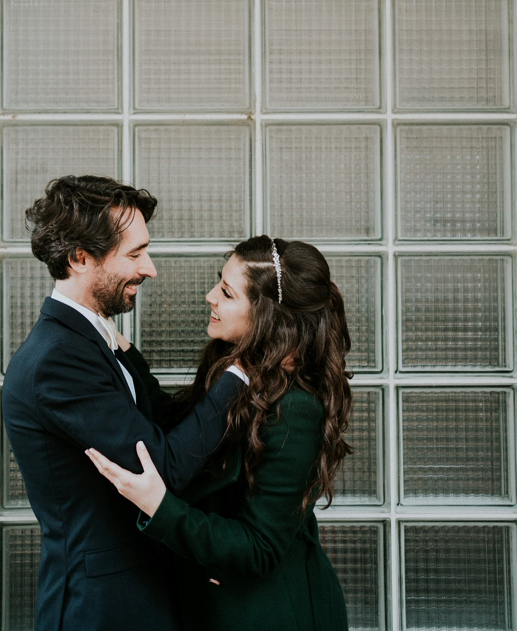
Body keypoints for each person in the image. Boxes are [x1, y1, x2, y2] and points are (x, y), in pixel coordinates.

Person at [2, 175, 246, 631]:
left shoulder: (88, 341)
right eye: (134, 254)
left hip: (141, 591)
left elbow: (159, 423)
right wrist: (242, 374)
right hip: (103, 607)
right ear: (80, 258)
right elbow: (160, 467)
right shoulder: (60, 359)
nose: (149, 268)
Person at [86, 235, 353, 631]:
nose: (211, 296)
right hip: (224, 605)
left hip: (273, 613)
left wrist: (159, 506)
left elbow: (259, 547)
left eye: (227, 292)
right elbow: (184, 426)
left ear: (268, 316)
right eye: (218, 282)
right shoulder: (237, 368)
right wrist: (123, 356)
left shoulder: (296, 407)